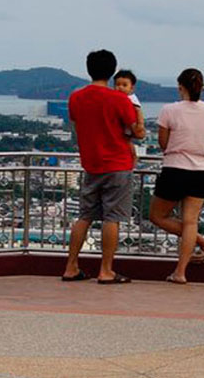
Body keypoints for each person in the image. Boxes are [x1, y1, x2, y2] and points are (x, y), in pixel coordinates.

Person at [62, 50, 145, 284]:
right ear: (111, 71)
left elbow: (77, 126)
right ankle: (106, 270)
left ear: (89, 69)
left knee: (84, 216)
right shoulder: (119, 99)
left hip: (91, 164)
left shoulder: (76, 98)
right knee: (112, 218)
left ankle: (71, 267)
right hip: (118, 164)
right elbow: (135, 132)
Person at [148, 68, 204, 284]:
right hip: (201, 171)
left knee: (157, 216)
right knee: (190, 222)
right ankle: (180, 272)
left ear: (180, 87)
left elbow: (163, 144)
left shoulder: (169, 110)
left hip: (175, 169)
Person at [113, 69, 145, 167]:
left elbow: (139, 112)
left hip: (130, 128)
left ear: (132, 88)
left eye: (124, 85)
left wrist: (140, 125)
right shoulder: (117, 99)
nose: (120, 87)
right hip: (126, 129)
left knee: (128, 143)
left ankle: (133, 158)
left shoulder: (131, 100)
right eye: (117, 84)